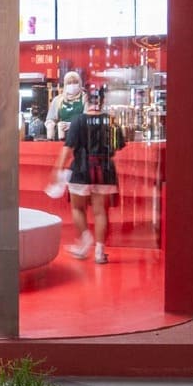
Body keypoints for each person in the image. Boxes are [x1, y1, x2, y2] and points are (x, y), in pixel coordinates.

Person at [47, 85, 124, 263]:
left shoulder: (78, 121)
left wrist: (58, 169)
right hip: (105, 171)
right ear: (103, 100)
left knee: (77, 208)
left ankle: (85, 239)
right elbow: (118, 145)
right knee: (100, 212)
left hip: (81, 169)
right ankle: (99, 251)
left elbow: (68, 148)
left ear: (86, 100)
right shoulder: (110, 121)